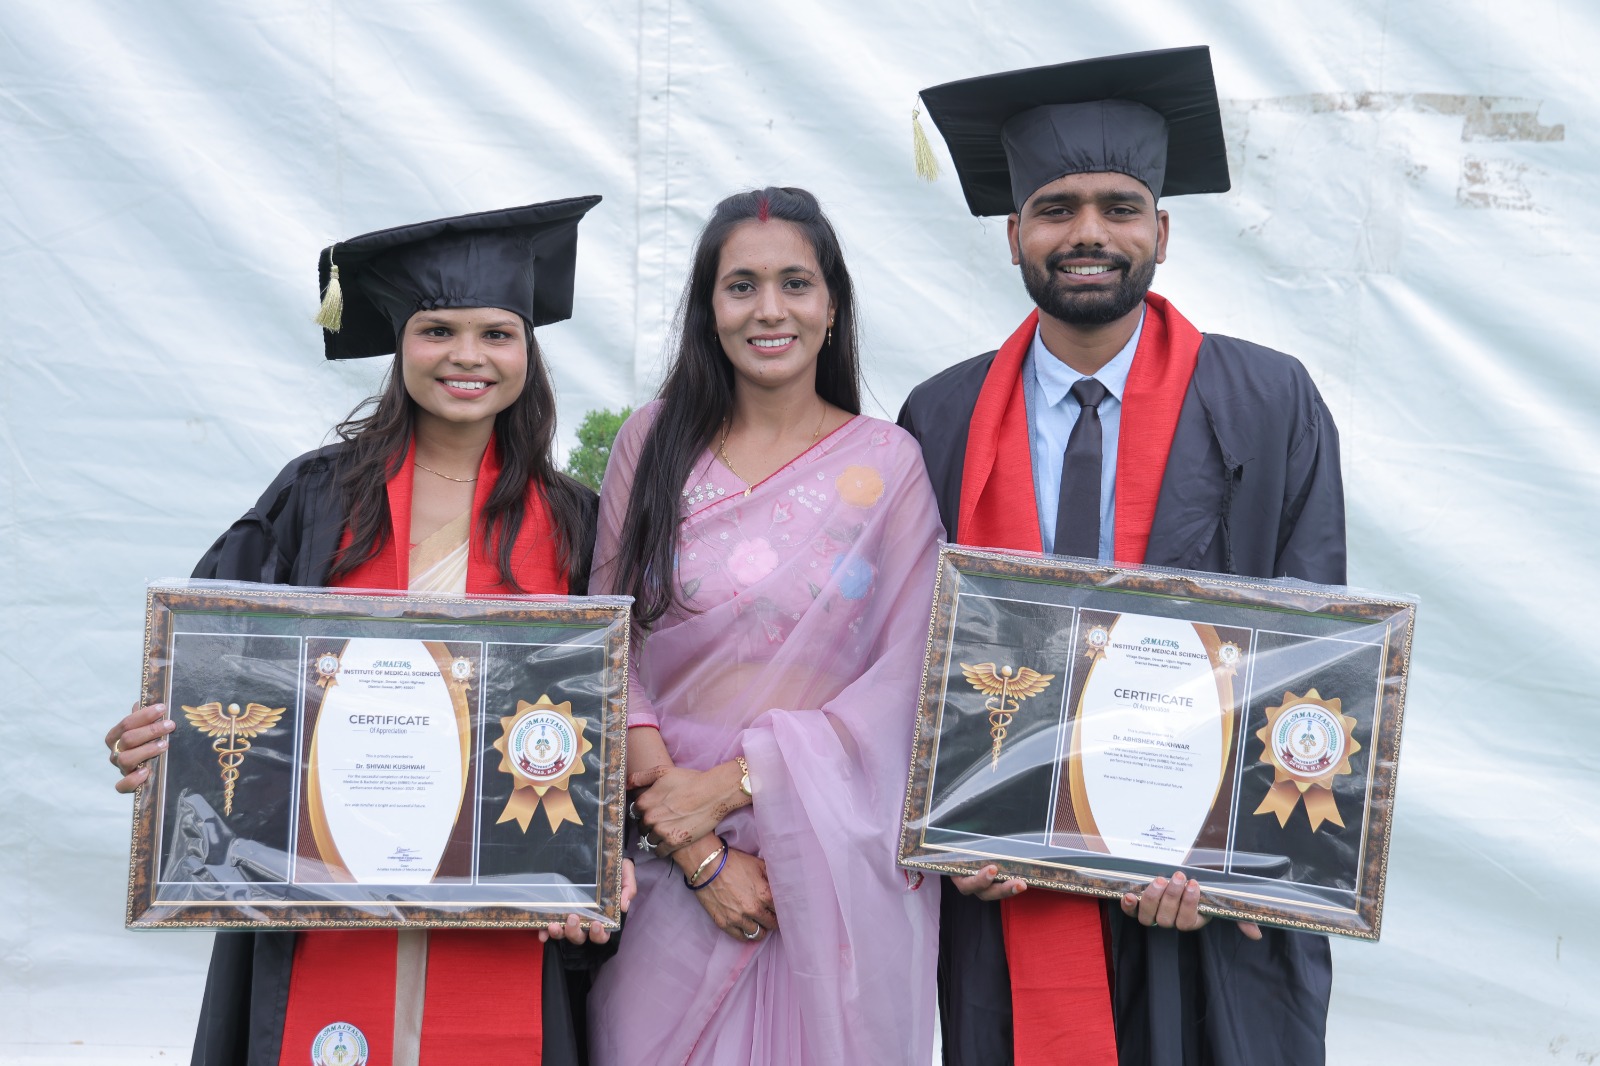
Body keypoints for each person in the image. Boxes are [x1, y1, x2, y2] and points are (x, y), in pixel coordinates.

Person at [104, 197, 634, 1066]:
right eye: (438, 331)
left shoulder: (577, 522)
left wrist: (602, 854)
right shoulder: (318, 497)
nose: (467, 356)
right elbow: (214, 667)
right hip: (317, 881)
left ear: (528, 351)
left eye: (497, 334)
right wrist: (156, 743)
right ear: (400, 344)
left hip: (503, 895)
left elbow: (613, 715)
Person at [900, 47, 1344, 1065]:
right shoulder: (941, 417)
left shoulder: (1267, 402)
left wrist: (1238, 857)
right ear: (1015, 235)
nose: (1089, 233)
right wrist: (950, 824)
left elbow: (1313, 644)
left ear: (1162, 232)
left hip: (1203, 893)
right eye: (1056, 209)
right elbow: (907, 652)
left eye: (1119, 207)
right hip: (1007, 877)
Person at [586, 186, 941, 1064]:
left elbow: (911, 683)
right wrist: (698, 848)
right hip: (665, 865)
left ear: (833, 306)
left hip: (825, 871)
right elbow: (610, 649)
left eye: (796, 283)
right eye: (741, 286)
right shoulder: (651, 444)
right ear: (709, 309)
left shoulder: (886, 466)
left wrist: (740, 784)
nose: (769, 309)